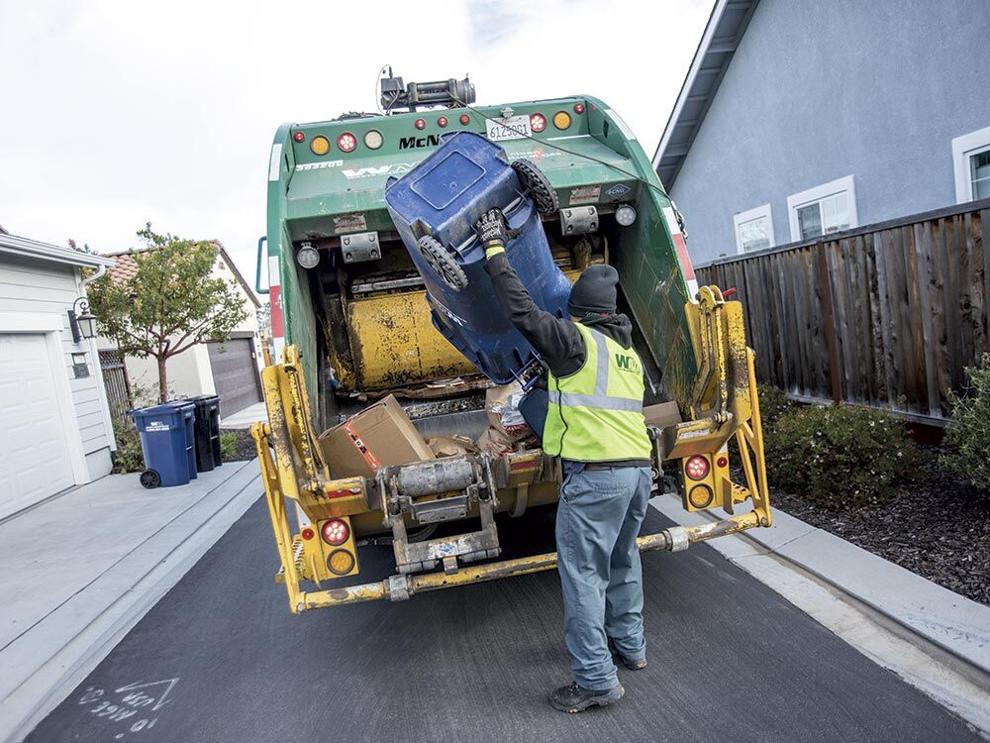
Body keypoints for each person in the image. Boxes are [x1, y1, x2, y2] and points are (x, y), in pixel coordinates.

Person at [475, 208, 654, 713]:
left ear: (580, 311)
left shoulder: (574, 343)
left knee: (583, 577)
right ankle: (631, 648)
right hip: (637, 474)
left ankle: (596, 680)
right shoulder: (627, 355)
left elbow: (522, 312)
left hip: (597, 480)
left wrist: (494, 252)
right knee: (624, 561)